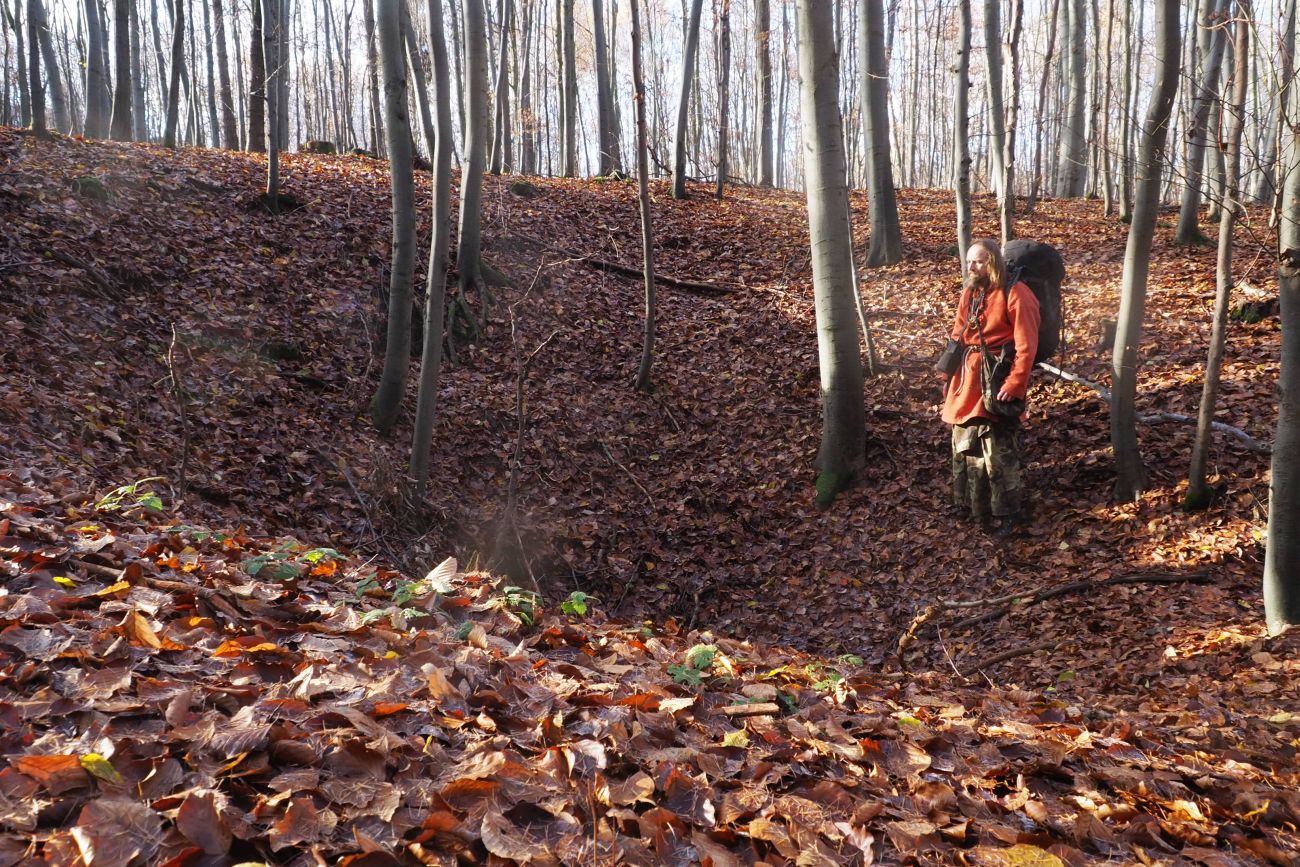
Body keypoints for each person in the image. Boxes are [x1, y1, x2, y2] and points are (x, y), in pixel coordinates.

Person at [939, 239, 1041, 539]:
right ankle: (973, 507)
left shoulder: (1018, 293)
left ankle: (1007, 515)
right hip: (966, 381)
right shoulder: (971, 291)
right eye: (969, 261)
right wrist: (947, 374)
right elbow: (959, 333)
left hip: (996, 379)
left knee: (997, 451)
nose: (971, 267)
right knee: (965, 445)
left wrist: (1016, 383)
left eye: (979, 261)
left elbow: (1026, 345)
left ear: (993, 261)